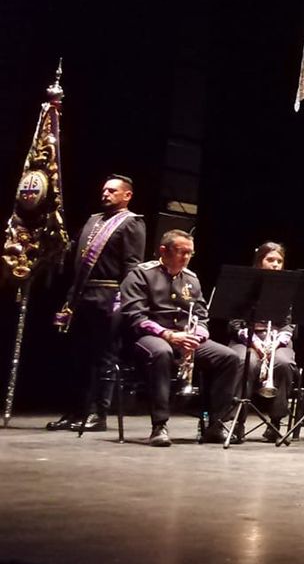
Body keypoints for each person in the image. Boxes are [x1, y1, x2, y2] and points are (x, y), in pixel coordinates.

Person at [48, 175, 146, 433]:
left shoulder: (131, 223)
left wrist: (125, 301)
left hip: (108, 295)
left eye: (112, 190)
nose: (105, 194)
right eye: (103, 189)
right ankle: (74, 411)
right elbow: (73, 254)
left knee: (104, 356)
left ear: (127, 195)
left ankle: (98, 414)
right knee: (78, 357)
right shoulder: (92, 220)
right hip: (81, 296)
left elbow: (132, 266)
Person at [123, 230, 239, 447]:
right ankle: (159, 426)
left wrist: (196, 337)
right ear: (163, 250)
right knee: (161, 352)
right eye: (181, 252)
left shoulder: (191, 279)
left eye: (190, 253)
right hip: (150, 337)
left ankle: (216, 425)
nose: (186, 258)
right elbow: (134, 316)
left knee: (228, 357)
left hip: (186, 338)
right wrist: (168, 335)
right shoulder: (141, 274)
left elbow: (202, 316)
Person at [229, 242, 297, 442]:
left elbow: (289, 324)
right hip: (247, 340)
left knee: (283, 363)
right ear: (260, 262)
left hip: (277, 341)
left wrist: (275, 343)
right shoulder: (243, 285)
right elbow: (234, 321)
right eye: (270, 260)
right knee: (245, 363)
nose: (275, 264)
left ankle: (275, 424)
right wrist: (254, 343)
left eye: (279, 261)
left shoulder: (287, 288)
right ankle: (237, 422)